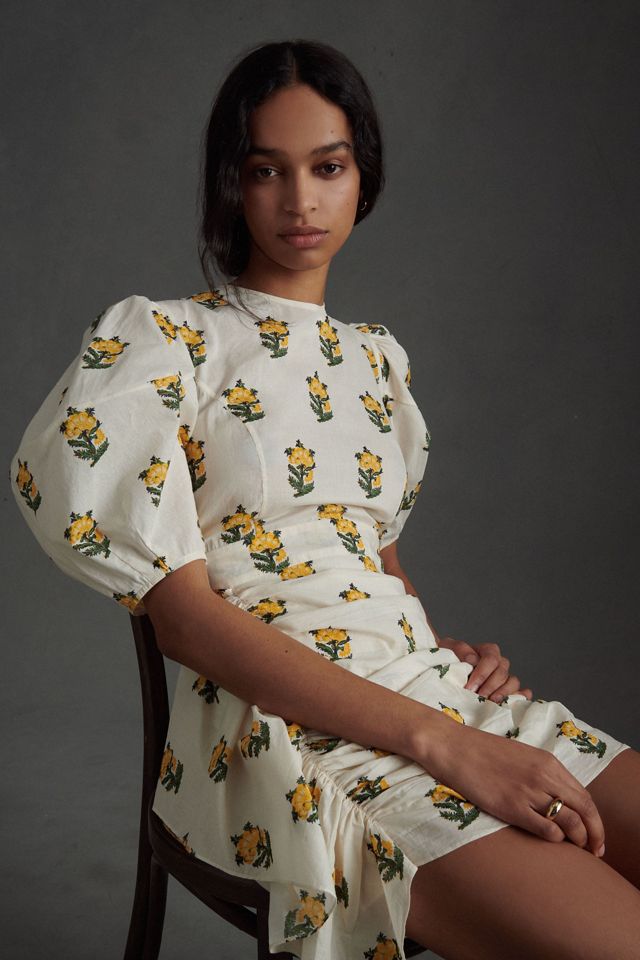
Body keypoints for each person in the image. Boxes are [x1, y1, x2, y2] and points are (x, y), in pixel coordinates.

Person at [10, 38, 640, 960]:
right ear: (232, 183)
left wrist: (441, 651)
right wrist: (444, 746)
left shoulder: (378, 362)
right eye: (267, 170)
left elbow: (372, 568)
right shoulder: (165, 342)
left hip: (425, 697)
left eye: (328, 167)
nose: (300, 201)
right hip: (285, 740)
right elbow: (186, 625)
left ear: (362, 177)